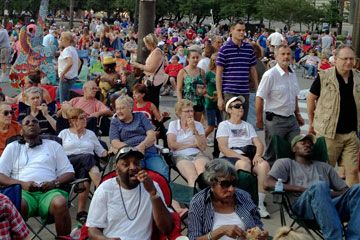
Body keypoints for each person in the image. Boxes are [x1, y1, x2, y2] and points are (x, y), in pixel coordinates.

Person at [264, 134, 360, 240]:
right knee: (319, 186)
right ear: (294, 149)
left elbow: (345, 191)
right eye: (303, 143)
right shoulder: (285, 163)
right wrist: (302, 189)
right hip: (302, 207)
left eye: (310, 143)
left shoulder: (325, 167)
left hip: (329, 205)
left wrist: (324, 194)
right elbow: (267, 184)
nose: (308, 145)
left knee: (357, 189)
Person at [0, 115, 75, 236]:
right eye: (27, 122)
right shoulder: (12, 147)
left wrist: (54, 183)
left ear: (40, 129)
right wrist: (22, 184)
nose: (31, 124)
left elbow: (69, 173)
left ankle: (64, 238)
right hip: (23, 192)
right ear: (21, 131)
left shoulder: (53, 145)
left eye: (35, 122)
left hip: (49, 191)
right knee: (17, 204)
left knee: (60, 202)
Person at [86, 146, 174, 239]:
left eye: (136, 163)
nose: (133, 167)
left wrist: (153, 193)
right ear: (116, 169)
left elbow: (166, 229)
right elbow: (92, 230)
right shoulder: (105, 189)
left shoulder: (153, 186)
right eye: (126, 164)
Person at [307, 45, 360, 187]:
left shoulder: (358, 77)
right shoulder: (324, 76)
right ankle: (322, 202)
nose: (349, 62)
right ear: (336, 59)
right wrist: (311, 123)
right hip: (329, 134)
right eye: (345, 59)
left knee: (353, 171)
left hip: (351, 134)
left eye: (351, 59)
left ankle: (352, 205)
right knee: (324, 172)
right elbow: (311, 99)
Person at [187, 159, 268, 240]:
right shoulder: (198, 202)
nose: (231, 189)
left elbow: (257, 225)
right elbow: (193, 238)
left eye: (234, 183)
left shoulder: (244, 197)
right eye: (225, 184)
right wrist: (221, 231)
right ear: (212, 182)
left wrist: (259, 235)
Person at [217, 96, 270, 218]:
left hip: (249, 154)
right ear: (229, 110)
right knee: (244, 165)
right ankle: (242, 203)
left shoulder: (247, 125)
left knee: (263, 166)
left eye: (242, 106)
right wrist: (240, 157)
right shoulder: (224, 125)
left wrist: (257, 155)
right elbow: (223, 148)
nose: (241, 108)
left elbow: (258, 143)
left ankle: (259, 203)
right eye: (237, 106)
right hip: (231, 155)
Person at [255, 45, 304, 165]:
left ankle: (289, 177)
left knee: (295, 150)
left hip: (291, 119)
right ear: (276, 56)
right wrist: (259, 119)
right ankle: (268, 179)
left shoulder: (292, 74)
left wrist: (298, 114)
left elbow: (295, 95)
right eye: (283, 54)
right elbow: (259, 97)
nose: (286, 57)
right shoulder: (270, 75)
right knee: (272, 154)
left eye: (288, 54)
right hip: (275, 120)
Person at [58, 107, 108, 224]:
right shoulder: (63, 134)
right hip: (69, 165)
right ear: (73, 120)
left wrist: (113, 150)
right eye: (82, 117)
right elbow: (57, 154)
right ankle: (102, 189)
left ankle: (81, 212)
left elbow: (101, 152)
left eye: (86, 117)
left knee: (85, 169)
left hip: (86, 167)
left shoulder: (90, 134)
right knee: (88, 157)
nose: (86, 119)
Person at [109, 95, 169, 180]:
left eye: (122, 108)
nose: (119, 111)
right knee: (135, 175)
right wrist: (133, 150)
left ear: (130, 108)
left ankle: (161, 193)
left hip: (149, 152)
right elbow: (115, 142)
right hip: (130, 156)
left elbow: (151, 136)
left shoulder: (140, 116)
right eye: (117, 109)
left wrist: (142, 146)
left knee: (162, 173)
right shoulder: (115, 122)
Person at [167, 99, 209, 212]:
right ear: (180, 113)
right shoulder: (173, 125)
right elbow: (172, 145)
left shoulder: (198, 125)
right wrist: (192, 144)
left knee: (203, 175)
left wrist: (194, 130)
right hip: (180, 155)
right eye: (187, 111)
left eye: (191, 111)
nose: (190, 114)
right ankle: (196, 205)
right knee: (192, 176)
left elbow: (202, 147)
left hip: (197, 154)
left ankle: (206, 203)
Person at [216, 19, 258, 121]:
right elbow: (218, 74)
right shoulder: (224, 49)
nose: (242, 32)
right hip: (229, 91)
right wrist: (220, 97)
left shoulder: (249, 48)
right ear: (231, 30)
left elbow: (253, 71)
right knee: (228, 122)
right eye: (239, 30)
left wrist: (258, 91)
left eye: (243, 30)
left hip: (244, 91)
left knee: (242, 122)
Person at [132, 33, 165, 109]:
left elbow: (151, 68)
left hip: (154, 81)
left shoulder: (157, 52)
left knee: (152, 100)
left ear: (150, 43)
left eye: (146, 43)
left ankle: (154, 117)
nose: (146, 45)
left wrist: (138, 65)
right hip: (151, 79)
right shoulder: (154, 51)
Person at [177, 49, 206, 122]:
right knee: (187, 124)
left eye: (197, 57)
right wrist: (181, 103)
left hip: (199, 102)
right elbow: (179, 89)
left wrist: (204, 91)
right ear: (188, 58)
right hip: (187, 102)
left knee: (197, 124)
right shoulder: (183, 72)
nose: (196, 60)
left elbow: (205, 86)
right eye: (193, 57)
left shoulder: (201, 71)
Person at [56, 32, 81, 104]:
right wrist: (74, 72)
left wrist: (63, 74)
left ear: (66, 40)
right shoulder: (72, 49)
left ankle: (63, 114)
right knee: (58, 97)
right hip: (71, 77)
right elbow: (79, 62)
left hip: (65, 78)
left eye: (61, 39)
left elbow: (70, 62)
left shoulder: (67, 50)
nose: (59, 41)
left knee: (63, 101)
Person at [204, 53, 222, 142]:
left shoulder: (223, 72)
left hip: (221, 102)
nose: (217, 62)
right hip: (210, 102)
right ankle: (200, 140)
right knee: (211, 126)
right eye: (215, 60)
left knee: (221, 126)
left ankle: (218, 144)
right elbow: (202, 89)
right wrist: (208, 96)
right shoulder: (208, 74)